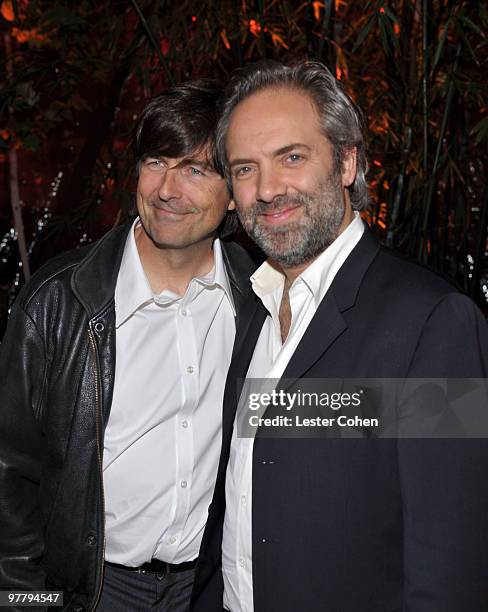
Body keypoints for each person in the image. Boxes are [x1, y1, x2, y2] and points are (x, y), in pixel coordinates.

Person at [191, 61, 488, 611]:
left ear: (347, 161)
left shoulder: (434, 322)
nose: (269, 189)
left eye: (293, 157)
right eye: (245, 168)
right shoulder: (249, 311)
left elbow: (453, 560)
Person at [0, 80, 259, 611]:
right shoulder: (59, 301)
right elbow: (9, 470)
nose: (167, 189)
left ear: (235, 189)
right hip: (91, 591)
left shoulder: (259, 299)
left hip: (210, 588)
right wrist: (30, 602)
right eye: (156, 161)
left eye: (195, 169)